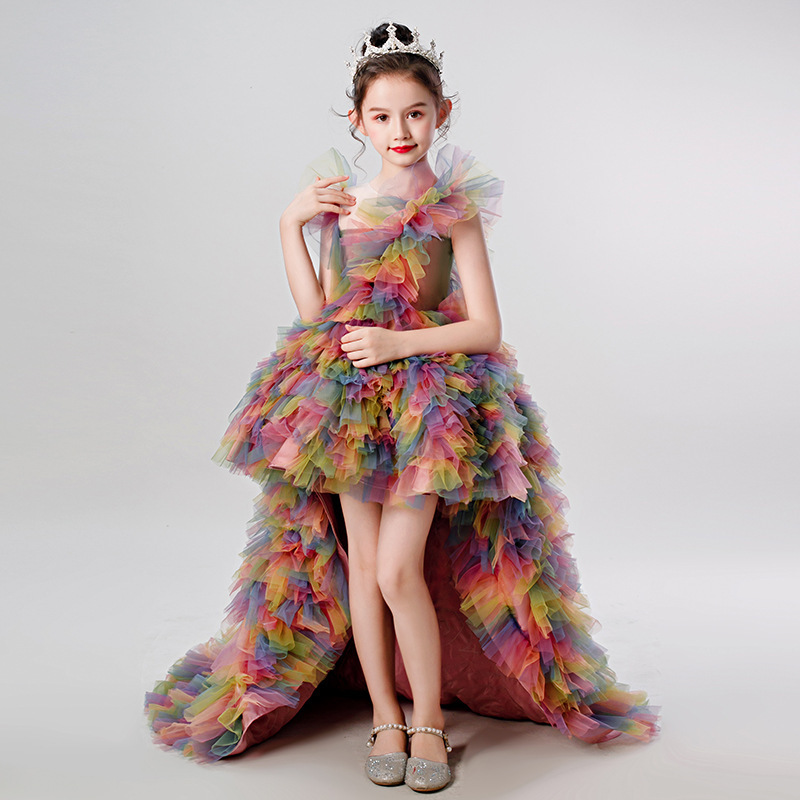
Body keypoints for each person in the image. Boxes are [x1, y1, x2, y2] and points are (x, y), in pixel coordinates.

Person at [144, 21, 660, 793]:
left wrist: (397, 344)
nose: (400, 130)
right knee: (362, 564)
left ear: (441, 113)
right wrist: (289, 225)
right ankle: (386, 715)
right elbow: (319, 313)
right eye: (382, 116)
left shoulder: (454, 209)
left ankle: (428, 721)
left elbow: (485, 327)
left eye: (415, 113)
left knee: (397, 568)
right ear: (357, 121)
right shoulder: (343, 206)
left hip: (428, 406)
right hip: (349, 405)